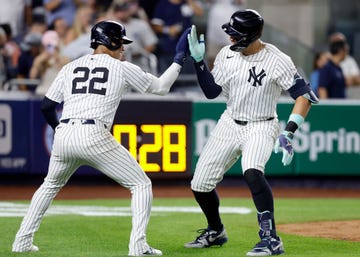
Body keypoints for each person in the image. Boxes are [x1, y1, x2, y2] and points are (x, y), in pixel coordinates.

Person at [12, 20, 190, 256]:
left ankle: (22, 242)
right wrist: (178, 59)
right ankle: (138, 246)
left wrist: (59, 129)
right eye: (122, 43)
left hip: (65, 131)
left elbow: (46, 106)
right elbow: (161, 87)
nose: (124, 48)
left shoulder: (70, 66)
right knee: (141, 184)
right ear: (111, 41)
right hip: (94, 132)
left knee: (49, 186)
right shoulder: (120, 67)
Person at [184, 9, 318, 256]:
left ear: (250, 35)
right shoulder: (226, 54)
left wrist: (289, 132)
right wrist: (199, 63)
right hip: (229, 122)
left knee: (253, 172)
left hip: (262, 124)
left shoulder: (277, 59)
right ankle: (215, 230)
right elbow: (212, 92)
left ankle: (271, 239)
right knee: (200, 184)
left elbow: (304, 96)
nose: (230, 39)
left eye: (235, 35)